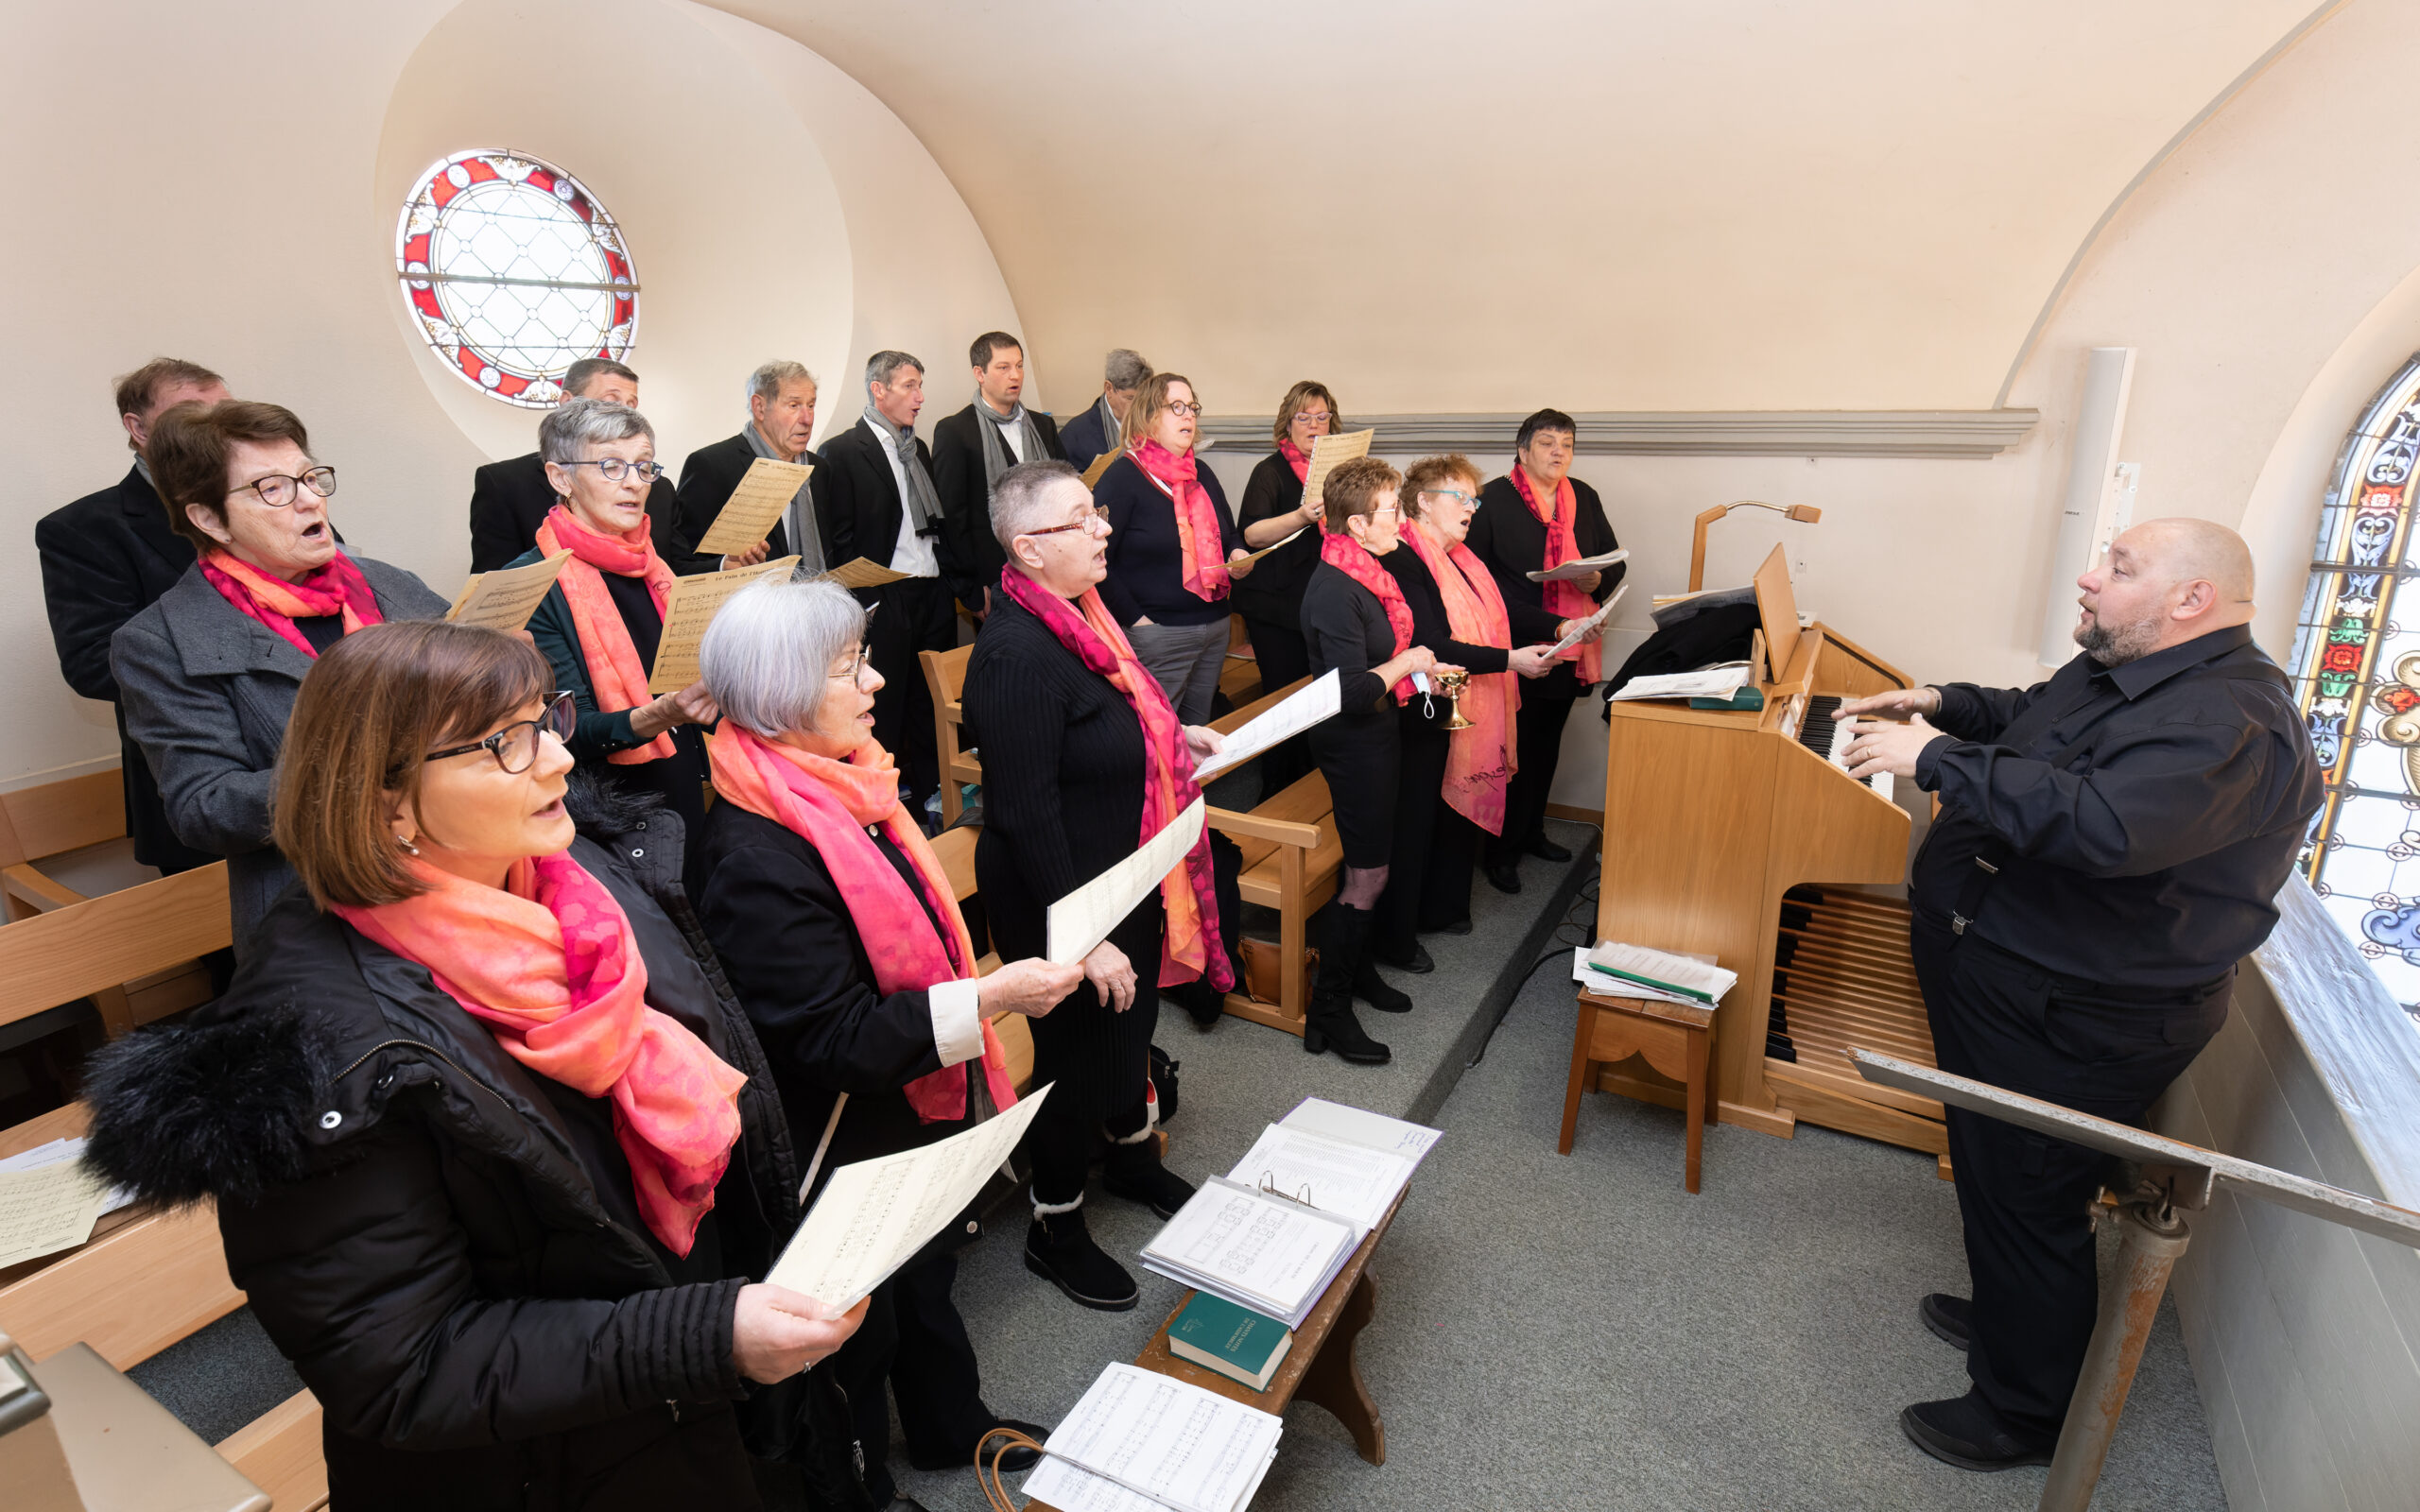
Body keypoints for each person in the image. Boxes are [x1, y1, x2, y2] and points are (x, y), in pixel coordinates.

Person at [82, 620, 865, 1509]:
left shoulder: (582, 889)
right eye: (506, 744)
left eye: (547, 720)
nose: (560, 760)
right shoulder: (316, 1050)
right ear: (387, 803)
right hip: (535, 1468)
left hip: (679, 1406)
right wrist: (697, 1337)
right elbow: (402, 1367)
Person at [1835, 518, 2323, 1471]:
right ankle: (2014, 1316)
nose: (2089, 579)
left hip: (2076, 1011)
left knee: (2031, 1192)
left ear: (2191, 599)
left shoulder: (2228, 719)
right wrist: (1943, 704)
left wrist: (1932, 758)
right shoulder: (2139, 666)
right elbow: (2038, 721)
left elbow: (2102, 825)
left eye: (2119, 567)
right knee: (1999, 1171)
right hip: (2019, 977)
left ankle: (2025, 1413)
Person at [692, 576, 1074, 1498]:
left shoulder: (841, 781)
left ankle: (950, 1424)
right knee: (859, 1333)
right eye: (847, 669)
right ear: (781, 694)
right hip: (839, 1130)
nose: (874, 682)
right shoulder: (754, 852)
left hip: (900, 1100)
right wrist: (987, 999)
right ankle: (863, 1487)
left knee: (925, 1276)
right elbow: (834, 1039)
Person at [963, 460, 1233, 1310]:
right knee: (1074, 1059)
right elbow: (1025, 815)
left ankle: (1130, 1159)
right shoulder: (1014, 654)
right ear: (1029, 549)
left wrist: (1170, 733)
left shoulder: (1083, 613)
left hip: (1124, 872)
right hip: (1059, 894)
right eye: (1082, 519)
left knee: (1132, 1024)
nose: (1104, 528)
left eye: (1098, 512)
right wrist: (1085, 939)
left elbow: (1109, 717)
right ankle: (1056, 1225)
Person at [112, 401, 448, 942]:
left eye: (310, 478)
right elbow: (206, 808)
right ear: (209, 519)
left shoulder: (388, 583)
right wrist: (366, 768)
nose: (311, 499)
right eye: (272, 488)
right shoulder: (160, 642)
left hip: (464, 866)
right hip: (321, 915)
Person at [513, 399, 723, 890]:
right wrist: (662, 714)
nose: (634, 483)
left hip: (683, 773)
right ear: (561, 478)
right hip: (606, 806)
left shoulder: (651, 564)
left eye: (644, 466)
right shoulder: (531, 582)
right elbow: (567, 731)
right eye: (611, 466)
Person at [38, 357, 230, 875]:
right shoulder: (82, 530)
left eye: (226, 411)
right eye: (192, 411)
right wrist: (248, 670)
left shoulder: (274, 495)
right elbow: (94, 664)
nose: (217, 427)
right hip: (196, 778)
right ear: (138, 428)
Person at [1297, 457, 1451, 1062]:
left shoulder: (1363, 569)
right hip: (1353, 742)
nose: (1402, 522)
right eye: (1392, 511)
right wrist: (1410, 661)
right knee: (1369, 875)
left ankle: (1356, 974)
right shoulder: (1335, 590)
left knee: (1371, 864)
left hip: (1379, 735)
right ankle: (1328, 1010)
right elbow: (1354, 691)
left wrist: (1419, 665)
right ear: (1357, 524)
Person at [1379, 455, 1562, 961]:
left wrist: (1558, 626)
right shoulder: (1405, 556)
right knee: (1423, 817)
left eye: (1474, 500)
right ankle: (1412, 922)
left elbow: (1503, 609)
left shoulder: (1463, 556)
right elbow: (1432, 642)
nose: (1471, 509)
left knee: (1445, 818)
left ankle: (1443, 907)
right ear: (1422, 502)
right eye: (1460, 497)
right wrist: (1510, 660)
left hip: (1457, 698)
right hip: (1423, 702)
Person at [1466, 408, 1619, 894]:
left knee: (1547, 745)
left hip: (1571, 645)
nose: (1559, 452)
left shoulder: (1584, 496)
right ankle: (1499, 851)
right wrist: (1546, 622)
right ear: (1522, 450)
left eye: (1567, 444)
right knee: (1513, 751)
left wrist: (1595, 580)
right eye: (1548, 443)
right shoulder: (1491, 500)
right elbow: (1477, 582)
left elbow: (1612, 559)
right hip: (1515, 646)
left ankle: (1531, 832)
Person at [810, 351, 958, 824]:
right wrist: (862, 600)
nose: (920, 397)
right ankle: (882, 806)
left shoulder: (918, 448)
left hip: (931, 590)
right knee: (884, 706)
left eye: (920, 385)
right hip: (883, 595)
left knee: (930, 705)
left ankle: (937, 797)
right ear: (879, 389)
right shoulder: (842, 451)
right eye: (910, 386)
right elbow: (838, 537)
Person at [1095, 372, 1253, 723]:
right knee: (1155, 734)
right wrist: (1137, 621)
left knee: (1196, 732)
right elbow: (1095, 558)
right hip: (1158, 632)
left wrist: (1237, 553)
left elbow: (1230, 534)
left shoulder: (1202, 473)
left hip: (1215, 625)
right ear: (1149, 416)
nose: (1188, 415)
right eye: (1176, 407)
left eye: (1192, 407)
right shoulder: (1123, 477)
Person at [467, 357, 683, 572]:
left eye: (631, 406)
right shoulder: (505, 484)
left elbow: (680, 568)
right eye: (610, 402)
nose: (624, 413)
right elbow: (496, 585)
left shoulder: (657, 487)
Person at [1230, 381, 1340, 793]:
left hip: (1319, 602)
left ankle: (1311, 787)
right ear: (1288, 423)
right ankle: (1275, 790)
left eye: (1322, 417)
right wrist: (1301, 516)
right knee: (1284, 700)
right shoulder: (1270, 471)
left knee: (1318, 700)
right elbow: (1252, 535)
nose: (1313, 425)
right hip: (1275, 605)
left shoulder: (1335, 473)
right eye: (1304, 417)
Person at [931, 331, 1066, 619]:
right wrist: (971, 589)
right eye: (1003, 367)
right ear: (979, 373)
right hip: (995, 578)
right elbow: (953, 519)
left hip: (1051, 567)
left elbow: (1065, 491)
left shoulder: (1042, 426)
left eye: (1019, 366)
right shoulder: (955, 431)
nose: (1014, 375)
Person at [672, 360, 820, 576]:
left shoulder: (820, 468)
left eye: (811, 405)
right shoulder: (711, 465)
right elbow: (682, 563)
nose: (807, 419)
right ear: (759, 407)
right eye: (794, 405)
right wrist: (724, 565)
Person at [1057, 348, 1150, 474]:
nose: (1138, 406)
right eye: (1130, 398)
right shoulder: (1074, 436)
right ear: (1109, 388)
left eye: (1143, 399)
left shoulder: (1152, 423)